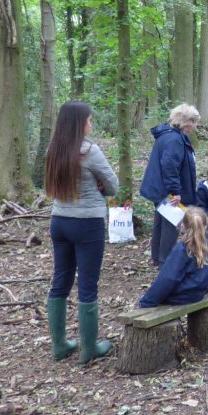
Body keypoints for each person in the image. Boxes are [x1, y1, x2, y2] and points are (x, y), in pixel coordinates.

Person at [44, 101, 118, 364]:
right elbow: (113, 186)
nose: (91, 124)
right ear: (79, 123)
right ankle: (88, 349)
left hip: (59, 221)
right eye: (89, 120)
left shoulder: (54, 149)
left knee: (60, 280)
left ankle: (59, 346)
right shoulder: (89, 151)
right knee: (87, 284)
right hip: (87, 223)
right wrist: (99, 185)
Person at [139, 103, 200, 267]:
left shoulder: (169, 136)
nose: (194, 126)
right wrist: (175, 191)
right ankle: (166, 261)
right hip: (166, 189)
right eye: (193, 122)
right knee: (171, 225)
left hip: (160, 188)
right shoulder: (174, 139)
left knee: (161, 221)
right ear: (184, 121)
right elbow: (169, 165)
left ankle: (158, 257)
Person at [139, 207, 208, 308]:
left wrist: (146, 301)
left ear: (183, 226)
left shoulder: (182, 249)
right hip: (199, 293)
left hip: (180, 297)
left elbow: (167, 279)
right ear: (204, 226)